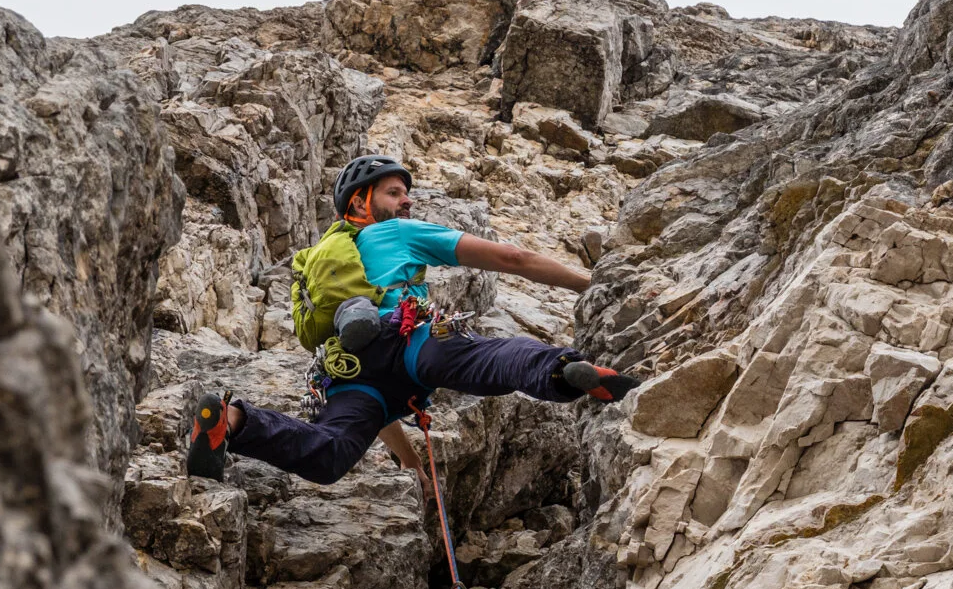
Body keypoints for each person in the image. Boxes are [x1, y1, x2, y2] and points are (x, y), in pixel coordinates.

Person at [186, 155, 639, 493]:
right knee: (488, 361)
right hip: (411, 337)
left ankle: (233, 420)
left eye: (406, 194)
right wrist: (592, 283)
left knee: (329, 453)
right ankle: (563, 372)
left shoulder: (326, 270)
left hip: (353, 372)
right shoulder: (395, 233)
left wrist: (411, 463)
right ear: (360, 201)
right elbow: (511, 258)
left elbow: (381, 406)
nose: (407, 201)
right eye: (393, 193)